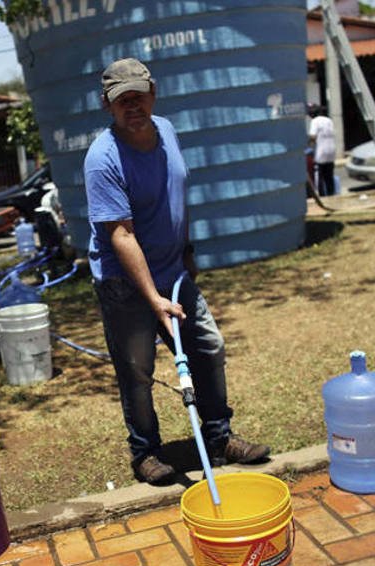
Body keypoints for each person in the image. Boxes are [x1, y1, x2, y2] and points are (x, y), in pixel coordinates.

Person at [84, 58, 271, 485]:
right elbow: (121, 235)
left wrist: (186, 251)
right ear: (108, 106)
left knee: (208, 347)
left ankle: (220, 437)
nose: (133, 106)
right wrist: (153, 298)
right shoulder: (102, 159)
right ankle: (146, 453)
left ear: (153, 93)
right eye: (122, 100)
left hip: (174, 273)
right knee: (138, 370)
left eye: (139, 96)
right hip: (124, 284)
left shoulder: (167, 131)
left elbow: (175, 196)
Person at [309, 104, 337, 196]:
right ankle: (331, 194)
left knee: (320, 177)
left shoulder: (315, 121)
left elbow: (313, 136)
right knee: (329, 176)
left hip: (321, 152)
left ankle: (322, 196)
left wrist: (309, 144)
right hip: (331, 151)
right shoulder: (329, 120)